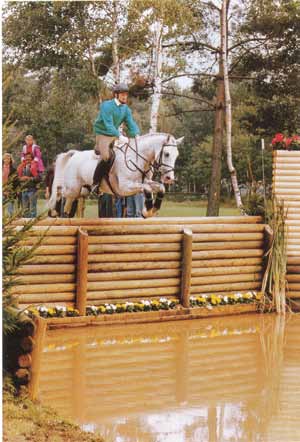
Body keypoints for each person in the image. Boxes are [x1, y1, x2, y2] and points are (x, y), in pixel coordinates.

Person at [92, 83, 140, 193]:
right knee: (107, 157)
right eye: (122, 95)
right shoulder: (106, 106)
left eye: (126, 95)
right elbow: (108, 125)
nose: (125, 97)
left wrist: (136, 134)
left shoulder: (126, 109)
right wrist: (120, 136)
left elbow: (131, 123)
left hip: (114, 135)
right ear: (116, 95)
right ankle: (96, 182)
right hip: (103, 133)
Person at [17, 152, 41, 218]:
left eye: (29, 157)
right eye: (26, 157)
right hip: (23, 190)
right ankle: (26, 223)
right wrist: (21, 179)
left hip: (32, 190)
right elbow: (17, 179)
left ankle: (33, 223)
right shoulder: (21, 167)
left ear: (32, 158)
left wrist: (29, 178)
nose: (27, 159)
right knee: (25, 208)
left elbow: (39, 178)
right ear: (24, 158)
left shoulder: (35, 166)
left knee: (33, 207)